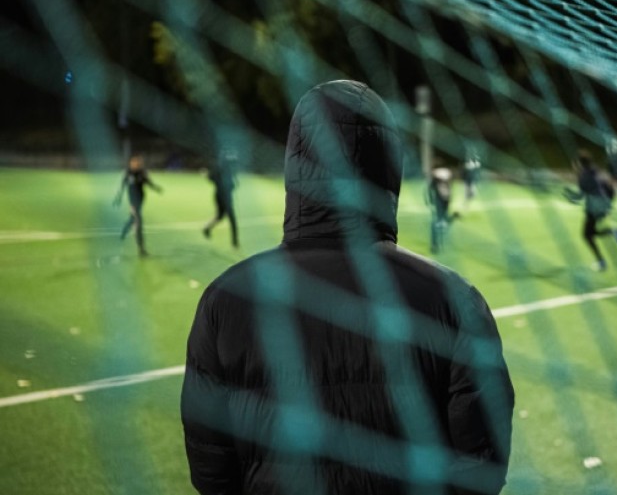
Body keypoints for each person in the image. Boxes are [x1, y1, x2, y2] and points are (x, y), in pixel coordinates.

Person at [181, 80, 514, 495]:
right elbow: (482, 462)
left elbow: (211, 468)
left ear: (297, 161)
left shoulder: (225, 299)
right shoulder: (454, 300)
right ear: (388, 165)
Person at [565, 152, 617, 271]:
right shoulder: (597, 171)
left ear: (580, 164)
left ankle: (601, 261)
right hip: (603, 204)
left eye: (575, 163)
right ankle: (612, 232)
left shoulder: (583, 176)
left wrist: (569, 196)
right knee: (590, 233)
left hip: (594, 206)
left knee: (586, 235)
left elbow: (579, 197)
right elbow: (608, 187)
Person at [114, 154, 161, 257]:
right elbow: (122, 186)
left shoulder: (142, 173)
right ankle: (142, 250)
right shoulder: (127, 173)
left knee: (133, 219)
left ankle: (124, 230)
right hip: (133, 202)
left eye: (138, 162)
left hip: (140, 200)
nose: (137, 164)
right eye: (134, 162)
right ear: (131, 163)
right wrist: (118, 198)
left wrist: (157, 188)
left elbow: (149, 183)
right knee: (138, 223)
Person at [202, 155, 239, 248]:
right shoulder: (227, 171)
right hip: (225, 196)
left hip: (218, 195)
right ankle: (235, 242)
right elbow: (232, 185)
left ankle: (207, 229)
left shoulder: (218, 169)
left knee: (219, 216)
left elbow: (210, 178)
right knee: (232, 218)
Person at [428, 164, 460, 254]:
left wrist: (430, 200)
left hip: (440, 199)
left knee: (437, 222)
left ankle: (435, 245)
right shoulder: (447, 173)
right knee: (442, 220)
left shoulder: (435, 174)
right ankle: (453, 216)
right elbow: (450, 187)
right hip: (446, 198)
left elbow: (431, 188)